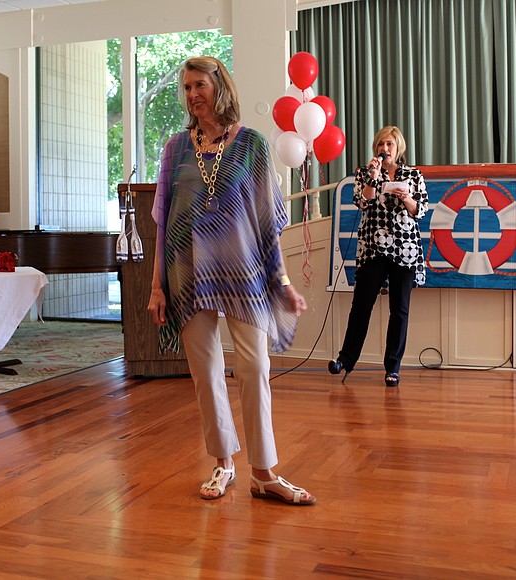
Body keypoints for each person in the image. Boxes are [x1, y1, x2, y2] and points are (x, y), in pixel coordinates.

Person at [148, 56, 315, 506]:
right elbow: (163, 223)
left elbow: (267, 222)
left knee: (255, 367)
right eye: (186, 88)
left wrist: (282, 280)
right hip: (188, 272)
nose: (192, 95)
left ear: (219, 87)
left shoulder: (252, 144)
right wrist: (157, 286)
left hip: (245, 273)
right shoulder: (175, 149)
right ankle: (223, 462)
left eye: (199, 85)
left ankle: (264, 472)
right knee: (205, 372)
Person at [328, 126, 428, 387]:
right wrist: (373, 177)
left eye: (390, 144)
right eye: (381, 144)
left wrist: (407, 198)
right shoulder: (365, 173)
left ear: (398, 148)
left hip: (404, 249)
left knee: (399, 310)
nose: (385, 149)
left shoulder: (413, 175)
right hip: (373, 247)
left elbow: (421, 210)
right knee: (361, 307)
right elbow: (362, 203)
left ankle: (393, 368)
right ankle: (345, 360)